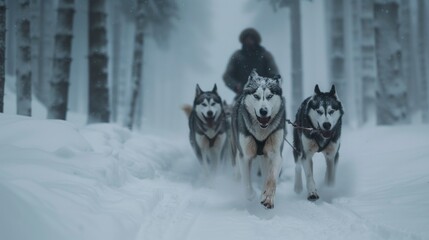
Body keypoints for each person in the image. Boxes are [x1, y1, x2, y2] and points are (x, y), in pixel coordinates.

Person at [223, 28, 279, 95]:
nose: (249, 41)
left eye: (251, 39)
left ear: (256, 40)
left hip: (263, 95)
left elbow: (275, 75)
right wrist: (236, 86)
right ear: (243, 40)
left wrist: (266, 86)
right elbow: (227, 76)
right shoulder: (237, 56)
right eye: (247, 39)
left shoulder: (265, 56)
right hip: (242, 94)